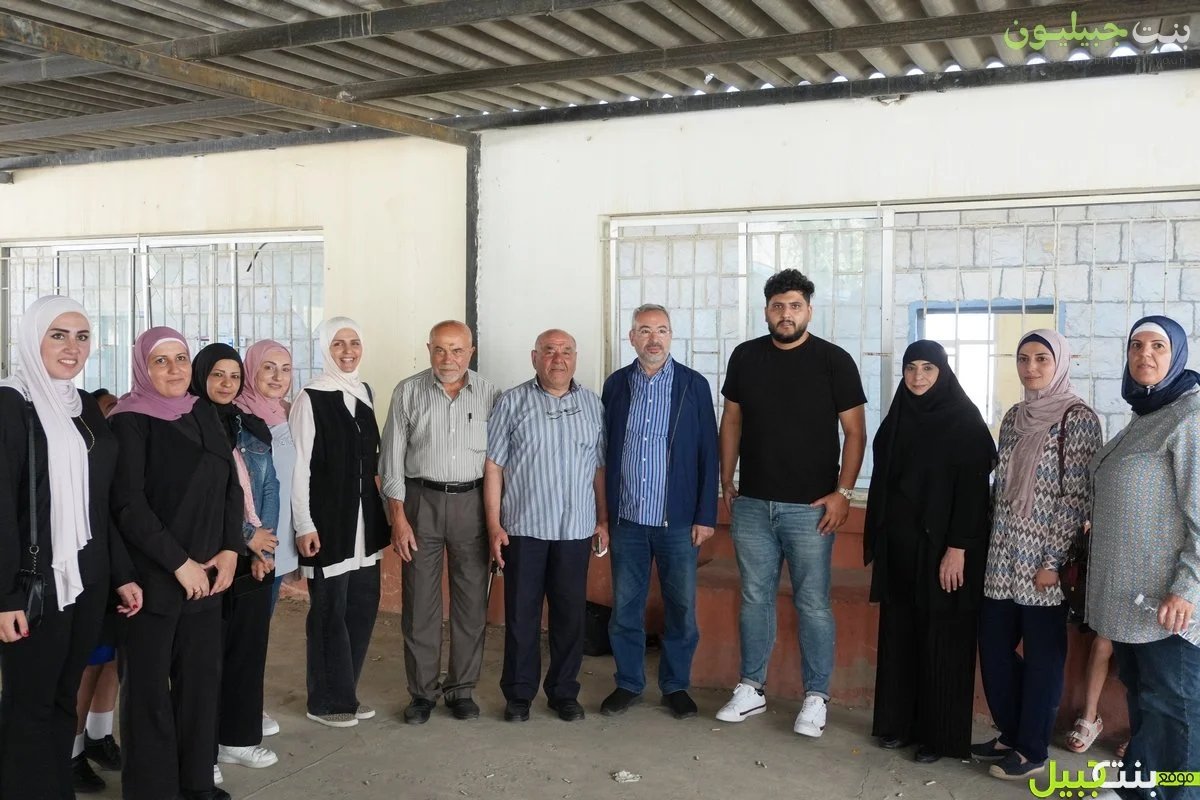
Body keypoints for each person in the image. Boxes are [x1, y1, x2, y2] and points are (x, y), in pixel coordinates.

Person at [0, 296, 142, 800]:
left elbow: (102, 503)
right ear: (32, 338)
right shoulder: (11, 403)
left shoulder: (82, 406)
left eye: (82, 337)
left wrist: (122, 574)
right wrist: (5, 597)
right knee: (29, 703)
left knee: (65, 697)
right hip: (33, 583)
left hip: (88, 578)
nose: (72, 347)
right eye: (58, 334)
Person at [715, 269, 867, 738]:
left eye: (795, 306)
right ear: (766, 310)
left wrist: (843, 494)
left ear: (809, 311)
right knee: (754, 598)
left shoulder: (834, 361)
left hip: (811, 510)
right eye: (778, 306)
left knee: (813, 603)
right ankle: (751, 688)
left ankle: (816, 697)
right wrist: (726, 479)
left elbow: (856, 433)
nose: (786, 314)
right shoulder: (746, 357)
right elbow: (732, 420)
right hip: (753, 504)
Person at [109, 326, 243, 800]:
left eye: (181, 358)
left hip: (208, 577)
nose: (173, 369)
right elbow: (128, 505)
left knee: (200, 688)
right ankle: (153, 791)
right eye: (160, 360)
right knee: (148, 694)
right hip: (153, 580)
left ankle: (197, 785)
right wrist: (179, 563)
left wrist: (231, 549)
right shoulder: (129, 420)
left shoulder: (201, 410)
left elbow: (230, 483)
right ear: (143, 366)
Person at [973, 329, 1102, 781]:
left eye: (1042, 359)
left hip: (1042, 564)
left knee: (1044, 658)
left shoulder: (1078, 419)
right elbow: (1001, 488)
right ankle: (1011, 732)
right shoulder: (1014, 417)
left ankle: (1032, 750)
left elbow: (1075, 498)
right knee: (993, 647)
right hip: (1001, 557)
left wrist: (1051, 561)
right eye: (1023, 358)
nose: (1031, 368)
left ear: (1060, 362)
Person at [864, 340, 995, 763]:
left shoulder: (964, 422)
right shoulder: (898, 418)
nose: (917, 376)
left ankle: (938, 738)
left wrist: (957, 548)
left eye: (927, 368)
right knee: (900, 635)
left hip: (944, 553)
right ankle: (897, 724)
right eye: (910, 368)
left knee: (942, 640)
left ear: (943, 372)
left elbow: (973, 495)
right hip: (901, 551)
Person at [1088, 315, 1200, 799]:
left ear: (1177, 355)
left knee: (1175, 711)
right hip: (1131, 600)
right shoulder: (1146, 415)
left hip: (1168, 604)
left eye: (1158, 346)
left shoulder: (1190, 417)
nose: (1145, 355)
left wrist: (1187, 586)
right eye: (1136, 345)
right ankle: (1140, 790)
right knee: (1145, 701)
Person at [598, 304, 718, 719]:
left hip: (678, 522)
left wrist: (706, 515)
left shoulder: (693, 385)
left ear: (671, 336)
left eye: (662, 330)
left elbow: (709, 453)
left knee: (681, 609)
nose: (654, 339)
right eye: (645, 330)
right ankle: (628, 683)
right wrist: (603, 515)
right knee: (625, 609)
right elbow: (603, 451)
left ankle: (675, 685)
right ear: (632, 337)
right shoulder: (616, 385)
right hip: (628, 519)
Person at [380, 321, 501, 724]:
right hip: (421, 503)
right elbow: (391, 459)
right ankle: (422, 693)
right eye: (440, 349)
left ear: (471, 352)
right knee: (420, 605)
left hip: (473, 505)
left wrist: (496, 520)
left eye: (457, 350)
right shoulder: (408, 391)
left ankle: (461, 690)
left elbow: (499, 461)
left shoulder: (490, 394)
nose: (448, 359)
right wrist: (398, 518)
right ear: (429, 348)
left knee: (471, 603)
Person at [485, 329, 607, 723]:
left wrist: (602, 518)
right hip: (524, 528)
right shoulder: (511, 402)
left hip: (575, 530)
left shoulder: (592, 404)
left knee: (570, 617)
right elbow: (494, 466)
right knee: (521, 616)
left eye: (566, 351)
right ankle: (519, 695)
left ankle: (563, 693)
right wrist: (493, 524)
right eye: (549, 351)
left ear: (576, 357)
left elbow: (599, 468)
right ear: (534, 357)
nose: (558, 359)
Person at [291, 317, 388, 729]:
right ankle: (325, 701)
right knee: (329, 613)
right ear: (324, 349)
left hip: (365, 526)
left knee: (361, 608)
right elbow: (299, 467)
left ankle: (346, 692)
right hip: (328, 525)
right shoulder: (310, 397)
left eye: (354, 342)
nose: (348, 351)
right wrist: (304, 524)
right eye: (338, 344)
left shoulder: (364, 392)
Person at [188, 344, 280, 775]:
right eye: (217, 375)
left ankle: (238, 739)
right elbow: (205, 497)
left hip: (254, 557)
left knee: (248, 652)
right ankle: (201, 753)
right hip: (209, 554)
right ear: (201, 377)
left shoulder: (249, 424)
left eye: (234, 376)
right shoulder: (188, 424)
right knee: (206, 659)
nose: (226, 384)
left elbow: (270, 487)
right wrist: (246, 537)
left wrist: (263, 548)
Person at [235, 339, 297, 738]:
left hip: (282, 541)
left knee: (260, 631)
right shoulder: (240, 419)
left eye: (285, 369)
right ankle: (240, 712)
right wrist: (253, 541)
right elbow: (242, 490)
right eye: (268, 368)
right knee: (244, 634)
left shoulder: (288, 414)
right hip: (256, 543)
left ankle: (247, 705)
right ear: (251, 370)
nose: (277, 377)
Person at [71, 386, 125, 793]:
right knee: (87, 664)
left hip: (120, 568)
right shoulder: (81, 461)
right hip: (90, 566)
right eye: (108, 410)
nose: (113, 417)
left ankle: (98, 735)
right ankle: (71, 753)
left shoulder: (119, 453)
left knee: (112, 659)